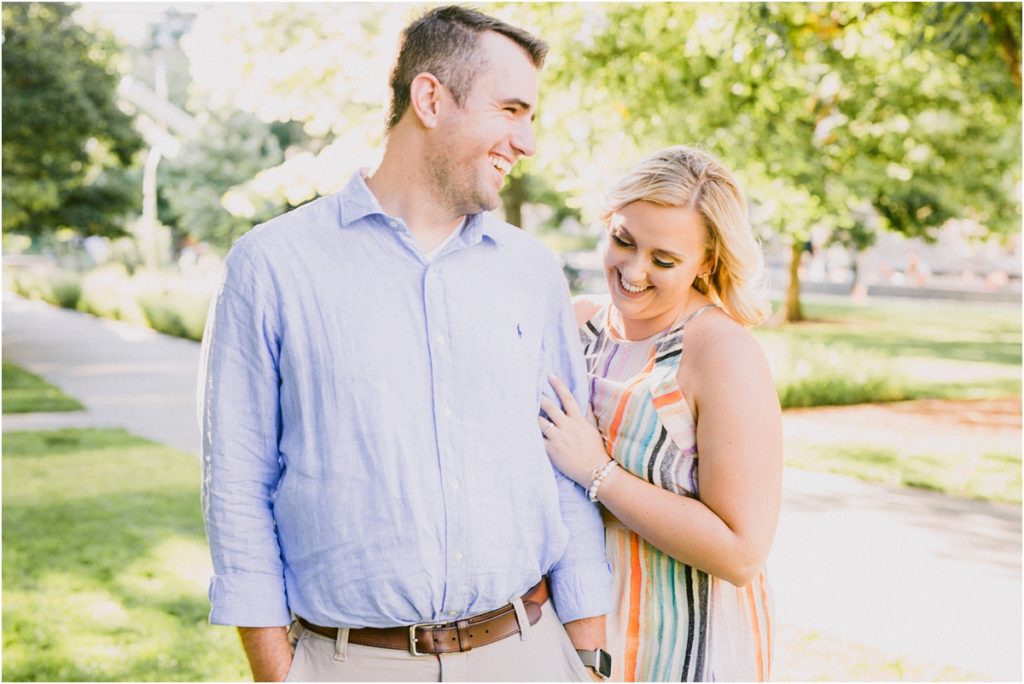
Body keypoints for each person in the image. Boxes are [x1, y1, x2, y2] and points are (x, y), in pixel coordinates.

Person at [198, 6, 611, 682]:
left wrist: (586, 659)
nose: (528, 140)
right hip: (350, 664)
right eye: (511, 109)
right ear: (430, 98)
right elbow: (238, 489)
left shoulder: (532, 270)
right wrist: (282, 675)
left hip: (528, 654)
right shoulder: (270, 266)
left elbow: (564, 471)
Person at [539, 146, 782, 681]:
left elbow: (742, 552)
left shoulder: (720, 354)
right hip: (566, 637)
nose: (633, 270)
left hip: (678, 647)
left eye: (664, 260)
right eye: (623, 240)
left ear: (707, 263)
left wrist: (598, 473)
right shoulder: (575, 326)